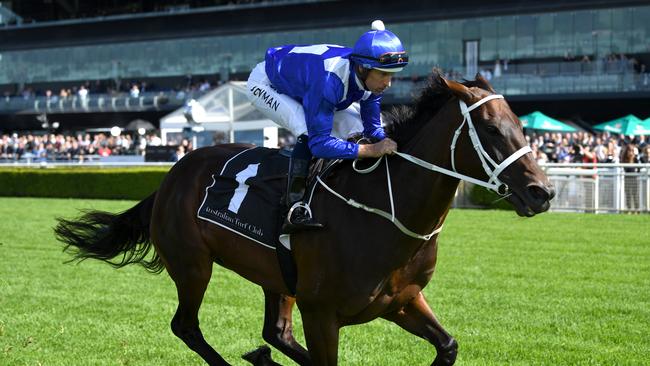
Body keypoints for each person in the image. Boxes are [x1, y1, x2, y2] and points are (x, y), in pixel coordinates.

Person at [246, 20, 405, 233]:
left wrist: (391, 142)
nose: (388, 83)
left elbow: (372, 130)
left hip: (308, 85)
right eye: (383, 74)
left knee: (355, 126)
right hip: (266, 83)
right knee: (306, 131)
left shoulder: (368, 78)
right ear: (362, 68)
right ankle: (294, 206)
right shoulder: (330, 82)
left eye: (391, 74)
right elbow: (319, 145)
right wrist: (371, 150)